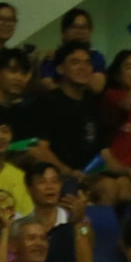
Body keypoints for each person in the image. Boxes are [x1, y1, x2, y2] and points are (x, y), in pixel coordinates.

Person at [24, 42, 106, 174]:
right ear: (60, 68)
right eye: (75, 62)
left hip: (90, 174)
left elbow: (102, 151)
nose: (83, 68)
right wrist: (68, 172)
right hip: (56, 176)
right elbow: (38, 150)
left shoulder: (92, 103)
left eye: (87, 63)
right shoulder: (45, 103)